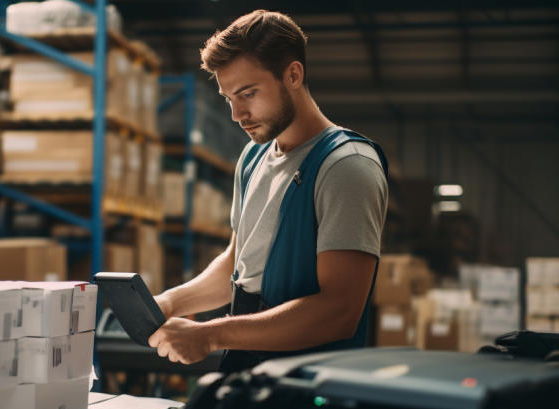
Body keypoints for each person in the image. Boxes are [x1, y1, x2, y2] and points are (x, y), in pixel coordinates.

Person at [148, 10, 389, 372]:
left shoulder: (346, 166)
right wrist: (168, 303)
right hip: (248, 364)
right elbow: (237, 264)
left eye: (248, 93)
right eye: (228, 97)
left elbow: (339, 312)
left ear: (293, 74)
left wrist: (212, 334)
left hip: (309, 383)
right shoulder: (253, 156)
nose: (236, 114)